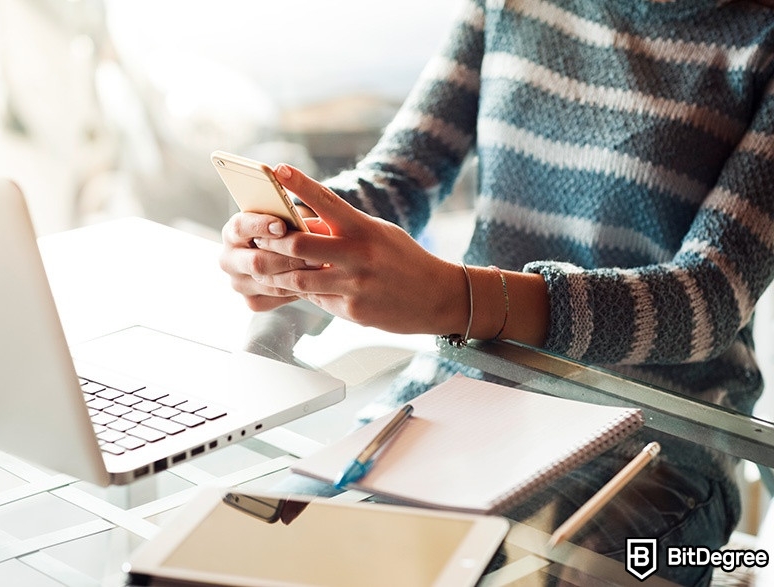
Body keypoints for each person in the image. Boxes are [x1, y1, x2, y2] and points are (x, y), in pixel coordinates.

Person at [219, 1, 774, 584]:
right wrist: (293, 233)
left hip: (660, 433)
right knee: (248, 563)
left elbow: (707, 300)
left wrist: (458, 299)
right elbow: (399, 179)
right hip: (465, 404)